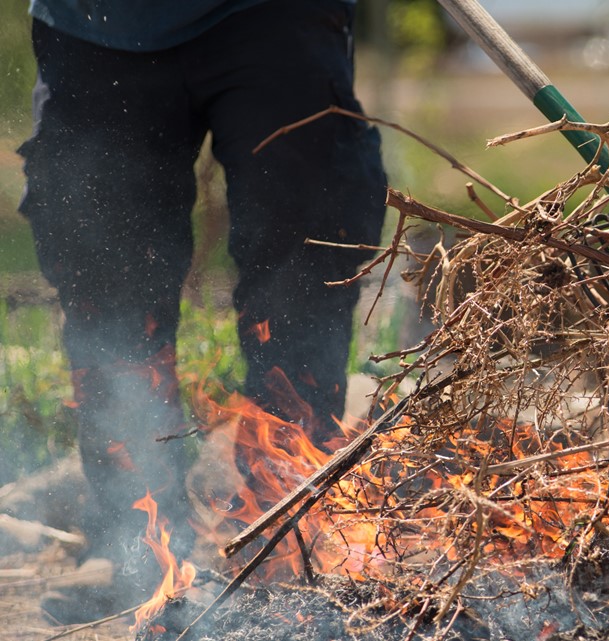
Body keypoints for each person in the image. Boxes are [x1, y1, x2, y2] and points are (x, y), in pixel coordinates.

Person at [18, 0, 387, 623]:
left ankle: (287, 528)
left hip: (274, 17)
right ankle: (133, 541)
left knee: (307, 255)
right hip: (97, 23)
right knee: (108, 280)